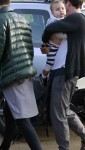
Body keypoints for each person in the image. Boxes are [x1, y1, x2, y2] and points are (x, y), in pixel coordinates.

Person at [41, 0, 85, 150]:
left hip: (64, 71)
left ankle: (64, 147)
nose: (62, 10)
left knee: (58, 113)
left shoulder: (75, 18)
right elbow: (53, 36)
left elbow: (49, 28)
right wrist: (49, 43)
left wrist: (48, 36)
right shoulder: (76, 21)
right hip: (62, 70)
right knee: (63, 110)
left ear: (68, 3)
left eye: (63, 5)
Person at [0, 0, 42, 150]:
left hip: (11, 76)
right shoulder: (22, 19)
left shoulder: (1, 20)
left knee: (23, 120)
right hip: (23, 73)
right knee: (10, 114)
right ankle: (4, 146)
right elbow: (29, 49)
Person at [39, 0, 67, 86]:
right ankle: (43, 76)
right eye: (58, 9)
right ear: (52, 13)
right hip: (51, 47)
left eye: (63, 8)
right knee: (50, 62)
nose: (61, 10)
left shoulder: (64, 20)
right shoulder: (53, 21)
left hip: (57, 48)